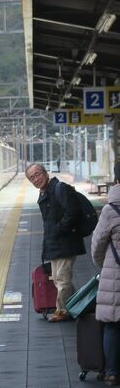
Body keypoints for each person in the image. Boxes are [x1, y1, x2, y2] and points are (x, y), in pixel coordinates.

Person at [25, 163, 86, 322]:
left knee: (62, 278)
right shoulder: (44, 193)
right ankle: (81, 305)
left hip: (66, 242)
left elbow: (73, 212)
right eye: (32, 178)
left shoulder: (60, 188)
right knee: (60, 278)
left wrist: (60, 230)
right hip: (55, 243)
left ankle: (62, 311)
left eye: (37, 174)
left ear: (45, 173)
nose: (36, 179)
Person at [90, 161, 120, 386]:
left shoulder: (112, 209)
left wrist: (103, 266)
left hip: (115, 273)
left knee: (112, 323)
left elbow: (98, 244)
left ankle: (111, 372)